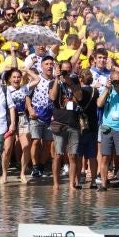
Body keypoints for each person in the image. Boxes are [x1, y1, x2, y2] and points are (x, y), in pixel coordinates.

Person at [49, 61, 83, 189]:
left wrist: (69, 81)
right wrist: (58, 78)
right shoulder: (53, 82)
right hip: (59, 123)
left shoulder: (74, 82)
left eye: (69, 70)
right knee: (58, 155)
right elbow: (52, 97)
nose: (66, 73)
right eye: (64, 70)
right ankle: (56, 184)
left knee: (73, 155)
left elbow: (79, 98)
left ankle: (71, 184)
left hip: (73, 123)